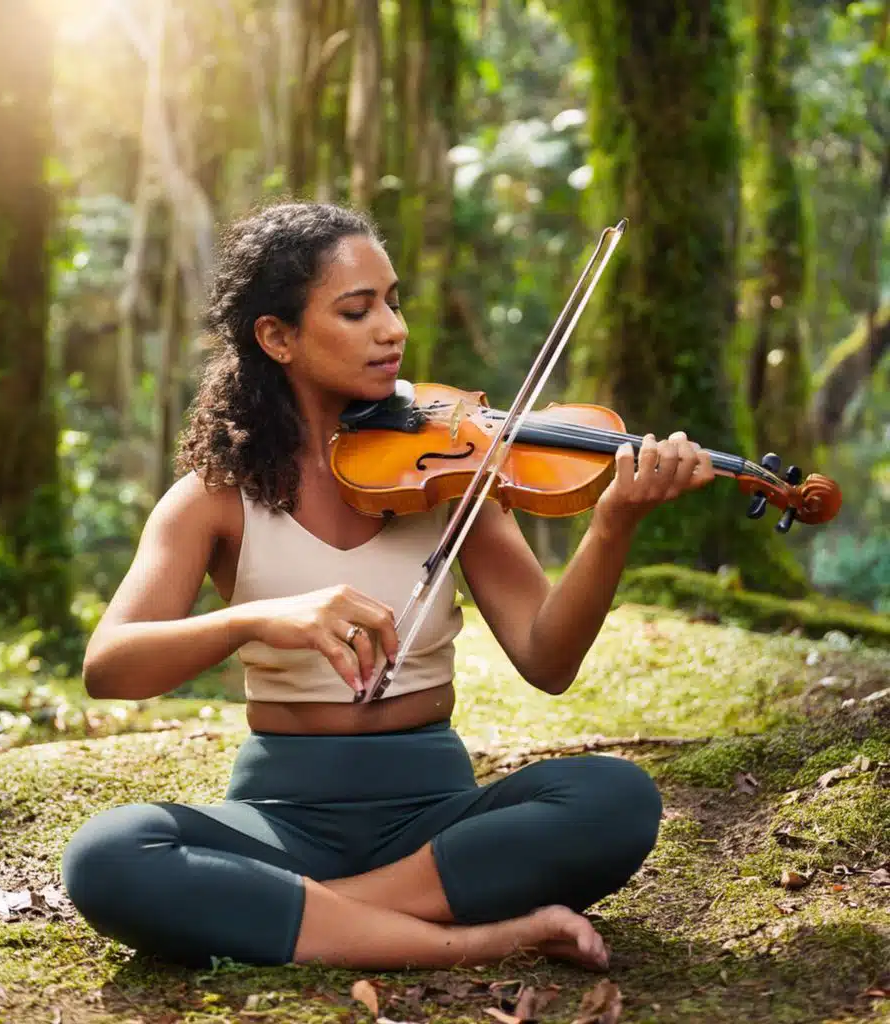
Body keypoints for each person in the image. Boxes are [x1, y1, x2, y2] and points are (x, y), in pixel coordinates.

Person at [61, 201, 715, 973]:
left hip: (435, 821)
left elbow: (548, 660)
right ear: (276, 337)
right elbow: (110, 665)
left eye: (393, 303)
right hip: (280, 823)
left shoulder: (455, 473)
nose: (392, 329)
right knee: (107, 854)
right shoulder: (214, 500)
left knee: (616, 798)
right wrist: (259, 619)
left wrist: (611, 528)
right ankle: (463, 939)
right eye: (357, 309)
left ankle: (303, 915)